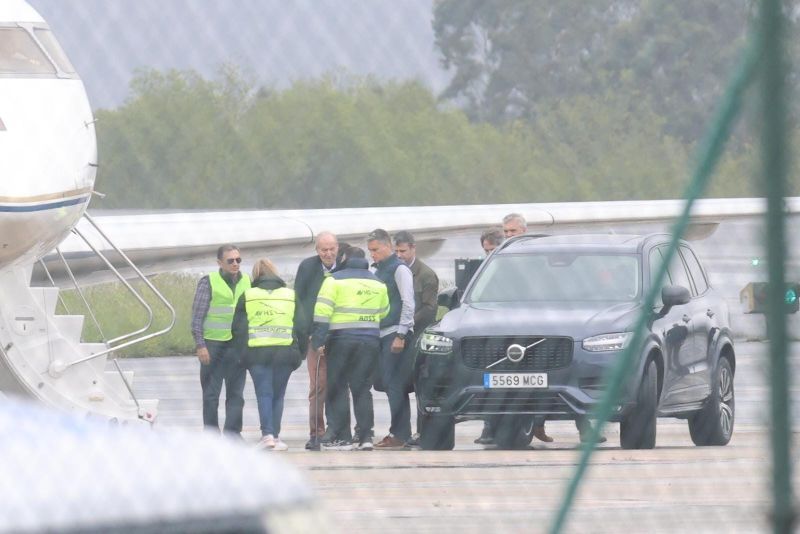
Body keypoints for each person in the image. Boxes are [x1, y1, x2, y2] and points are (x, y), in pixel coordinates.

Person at [311, 247, 389, 451]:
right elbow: (384, 311)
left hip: (341, 340)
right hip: (370, 341)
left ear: (344, 259)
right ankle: (365, 437)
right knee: (362, 389)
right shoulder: (378, 282)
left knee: (337, 387)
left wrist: (318, 341)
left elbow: (322, 312)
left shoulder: (333, 280)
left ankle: (341, 435)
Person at [232, 258, 303, 451]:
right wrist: (300, 354)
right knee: (278, 395)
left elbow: (237, 328)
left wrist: (242, 354)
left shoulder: (248, 295)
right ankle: (276, 436)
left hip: (257, 352)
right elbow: (302, 326)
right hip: (285, 352)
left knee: (264, 393)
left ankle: (267, 435)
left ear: (256, 274)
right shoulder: (290, 294)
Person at [191, 244, 251, 437]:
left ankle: (233, 433)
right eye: (230, 261)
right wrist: (200, 345)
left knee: (236, 394)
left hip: (237, 345)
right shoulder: (209, 282)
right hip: (213, 345)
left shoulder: (247, 281)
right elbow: (197, 317)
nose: (235, 264)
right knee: (210, 395)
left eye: (238, 260)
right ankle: (211, 434)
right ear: (220, 263)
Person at [367, 229, 415, 450]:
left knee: (394, 385)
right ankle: (400, 431)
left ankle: (400, 433)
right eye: (370, 251)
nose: (373, 255)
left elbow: (408, 303)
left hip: (395, 334)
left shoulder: (399, 269)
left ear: (388, 246)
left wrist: (401, 334)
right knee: (388, 384)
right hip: (382, 334)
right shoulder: (379, 270)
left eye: (375, 250)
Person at [393, 230, 439, 448]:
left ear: (413, 248)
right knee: (398, 385)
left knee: (421, 386)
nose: (399, 255)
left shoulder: (426, 275)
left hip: (418, 338)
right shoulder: (394, 270)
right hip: (399, 337)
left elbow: (430, 309)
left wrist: (408, 323)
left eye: (403, 251)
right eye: (397, 251)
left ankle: (424, 432)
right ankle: (401, 432)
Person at [294, 231, 339, 450]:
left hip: (340, 335)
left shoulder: (345, 268)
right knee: (318, 386)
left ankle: (337, 430)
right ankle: (317, 432)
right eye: (324, 250)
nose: (328, 253)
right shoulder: (307, 268)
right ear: (317, 250)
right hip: (315, 336)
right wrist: (307, 332)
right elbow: (299, 300)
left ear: (337, 248)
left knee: (339, 385)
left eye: (331, 249)